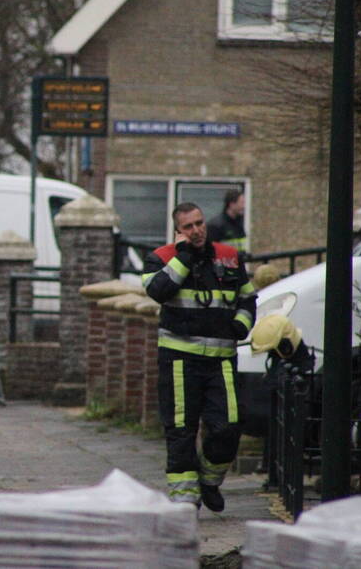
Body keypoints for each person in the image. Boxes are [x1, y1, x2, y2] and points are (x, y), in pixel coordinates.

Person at [142, 202, 257, 511]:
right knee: (181, 431)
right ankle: (185, 503)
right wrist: (185, 256)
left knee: (229, 426)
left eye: (199, 223)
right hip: (180, 361)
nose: (196, 230)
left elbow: (248, 298)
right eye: (188, 227)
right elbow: (158, 291)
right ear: (178, 231)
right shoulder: (161, 258)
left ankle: (208, 480)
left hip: (221, 360)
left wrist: (241, 325)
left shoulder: (229, 257)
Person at [206, 189, 248, 256]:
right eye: (241, 203)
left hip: (238, 264)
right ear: (232, 204)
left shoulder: (239, 223)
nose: (244, 206)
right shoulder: (216, 225)